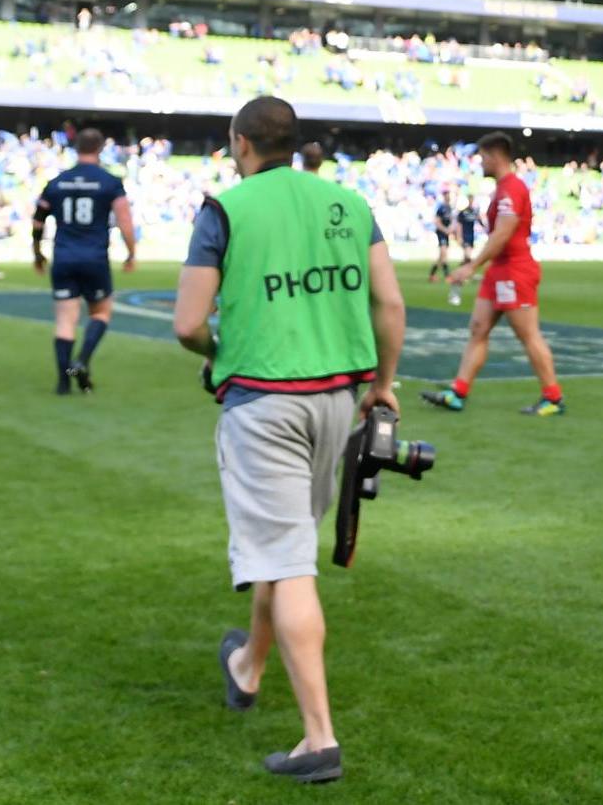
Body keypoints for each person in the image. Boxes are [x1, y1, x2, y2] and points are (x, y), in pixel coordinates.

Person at [171, 95, 407, 786]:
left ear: (238, 142)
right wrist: (384, 384)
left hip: (264, 401)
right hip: (336, 399)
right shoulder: (349, 203)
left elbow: (188, 323)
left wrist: (219, 350)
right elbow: (388, 304)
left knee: (287, 561)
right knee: (285, 544)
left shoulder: (225, 209)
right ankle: (247, 666)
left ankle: (319, 738)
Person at [421, 132, 563, 417]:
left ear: (496, 155)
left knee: (528, 335)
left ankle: (553, 398)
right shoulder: (503, 189)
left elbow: (504, 232)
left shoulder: (511, 189)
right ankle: (458, 392)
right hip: (500, 270)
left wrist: (472, 266)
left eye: (483, 157)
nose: (480, 163)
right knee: (478, 328)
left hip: (514, 270)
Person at [33, 129, 136, 395]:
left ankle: (64, 381)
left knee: (65, 321)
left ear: (75, 147)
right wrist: (131, 251)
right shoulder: (110, 182)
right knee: (100, 313)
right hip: (94, 258)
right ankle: (81, 360)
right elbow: (124, 219)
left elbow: (37, 221)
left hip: (64, 256)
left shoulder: (57, 182)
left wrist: (37, 252)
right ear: (101, 148)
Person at [452, 198, 480, 308]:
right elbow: (459, 226)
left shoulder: (474, 211)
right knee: (467, 257)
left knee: (466, 258)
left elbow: (479, 221)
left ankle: (461, 275)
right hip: (465, 237)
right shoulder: (462, 213)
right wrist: (459, 237)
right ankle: (460, 276)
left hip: (471, 237)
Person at [429, 192, 455, 285]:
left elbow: (452, 220)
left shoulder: (450, 208)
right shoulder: (441, 208)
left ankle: (432, 275)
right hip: (441, 233)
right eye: (447, 196)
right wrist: (445, 230)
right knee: (444, 253)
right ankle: (447, 276)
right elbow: (437, 222)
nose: (448, 197)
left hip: (446, 233)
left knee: (441, 257)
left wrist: (451, 228)